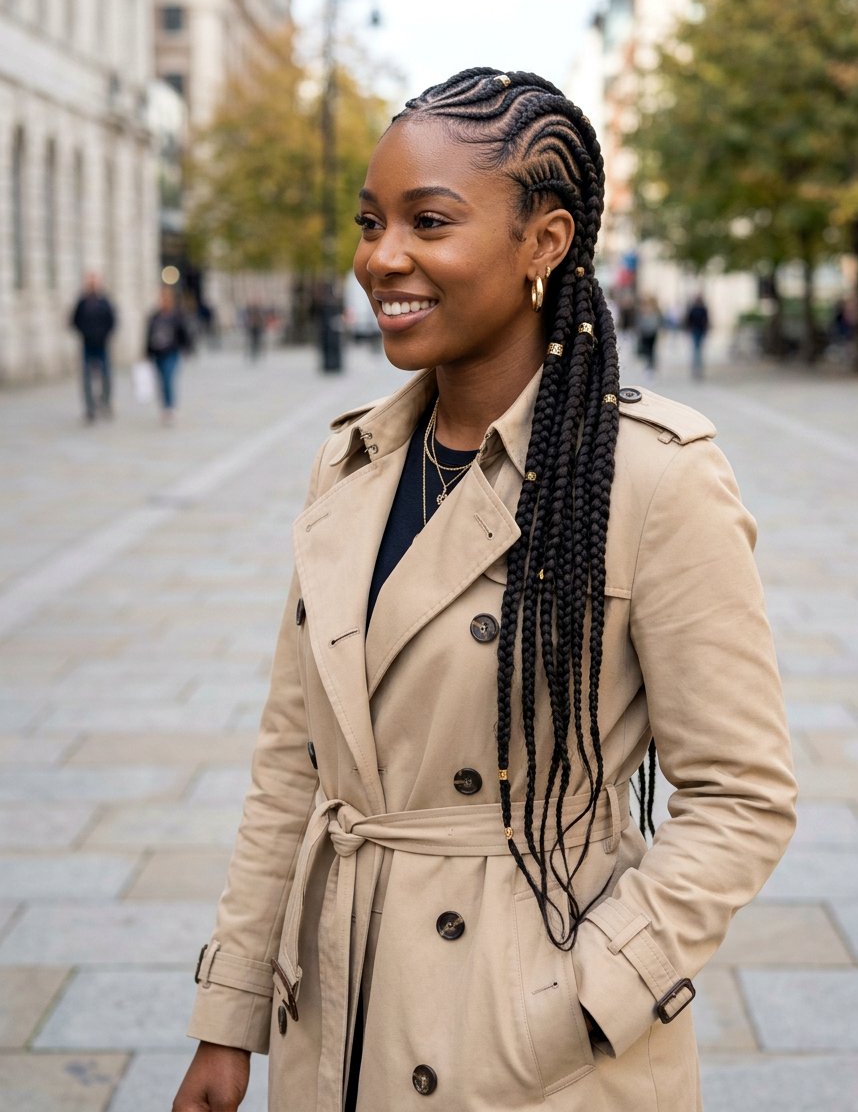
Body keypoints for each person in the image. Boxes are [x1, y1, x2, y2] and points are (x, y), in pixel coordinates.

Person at [174, 68, 796, 1112]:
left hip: (534, 1052)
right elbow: (290, 765)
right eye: (370, 221)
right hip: (334, 1022)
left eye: (429, 220)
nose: (381, 258)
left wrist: (584, 997)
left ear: (542, 244)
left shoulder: (650, 475)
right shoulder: (351, 463)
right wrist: (228, 1016)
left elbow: (741, 796)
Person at [69, 272, 116, 421]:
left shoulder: (104, 301)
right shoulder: (82, 302)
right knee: (87, 377)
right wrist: (85, 333)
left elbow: (112, 320)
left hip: (102, 344)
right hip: (87, 344)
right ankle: (90, 408)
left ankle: (105, 401)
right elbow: (74, 321)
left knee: (106, 375)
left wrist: (104, 334)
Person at [145, 286, 192, 423]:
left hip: (172, 352)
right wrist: (147, 352)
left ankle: (169, 406)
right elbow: (148, 335)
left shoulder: (176, 316)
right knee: (161, 380)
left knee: (168, 377)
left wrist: (187, 348)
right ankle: (165, 405)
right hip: (158, 353)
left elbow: (184, 333)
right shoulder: (154, 316)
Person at [684, 291, 711, 379]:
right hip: (695, 330)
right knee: (696, 349)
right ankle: (696, 367)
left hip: (700, 330)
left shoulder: (703, 308)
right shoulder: (694, 308)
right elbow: (689, 320)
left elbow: (706, 320)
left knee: (698, 349)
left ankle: (698, 367)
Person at [635, 293, 662, 374]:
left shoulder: (656, 310)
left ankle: (651, 365)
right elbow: (639, 321)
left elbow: (658, 321)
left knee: (651, 350)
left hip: (652, 333)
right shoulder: (642, 310)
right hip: (645, 333)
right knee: (646, 350)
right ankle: (649, 365)